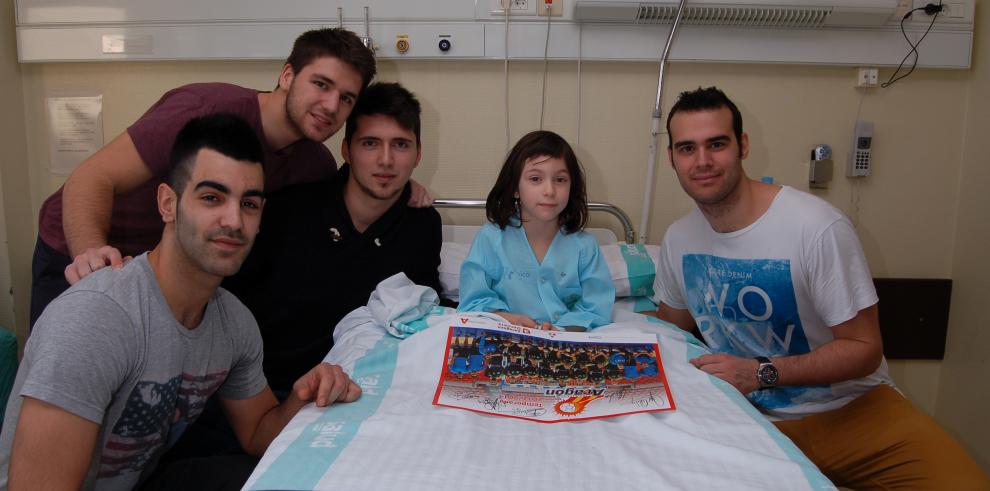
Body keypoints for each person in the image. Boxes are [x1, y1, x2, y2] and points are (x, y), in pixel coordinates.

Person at [651, 86, 989, 489]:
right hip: (748, 422)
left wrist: (758, 373)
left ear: (742, 146)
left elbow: (864, 349)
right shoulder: (679, 240)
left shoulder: (815, 228)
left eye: (717, 144)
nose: (702, 161)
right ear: (671, 157)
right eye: (687, 148)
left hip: (851, 409)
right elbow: (669, 328)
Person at [0, 114, 361, 490]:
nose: (234, 221)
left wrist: (303, 395)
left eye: (249, 204)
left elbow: (257, 434)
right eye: (211, 198)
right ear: (168, 204)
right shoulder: (97, 318)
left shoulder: (233, 323)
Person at [30, 27, 430, 327]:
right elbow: (91, 177)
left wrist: (396, 186)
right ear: (288, 75)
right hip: (85, 249)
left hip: (170, 272)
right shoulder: (204, 110)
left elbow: (352, 186)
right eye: (321, 85)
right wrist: (89, 253)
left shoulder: (315, 162)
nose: (330, 105)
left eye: (346, 98)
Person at [223, 82, 445, 393]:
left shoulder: (421, 225)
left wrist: (491, 317)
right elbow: (228, 301)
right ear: (346, 150)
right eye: (370, 143)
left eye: (400, 145)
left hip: (364, 392)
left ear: (418, 154)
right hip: (268, 390)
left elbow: (426, 309)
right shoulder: (288, 212)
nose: (386, 160)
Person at [457, 130, 614, 332]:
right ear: (515, 187)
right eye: (535, 179)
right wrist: (508, 319)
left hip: (565, 343)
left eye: (560, 180)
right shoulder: (491, 239)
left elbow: (597, 307)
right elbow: (472, 302)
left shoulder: (585, 246)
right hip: (506, 339)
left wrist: (563, 331)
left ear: (571, 186)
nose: (549, 190)